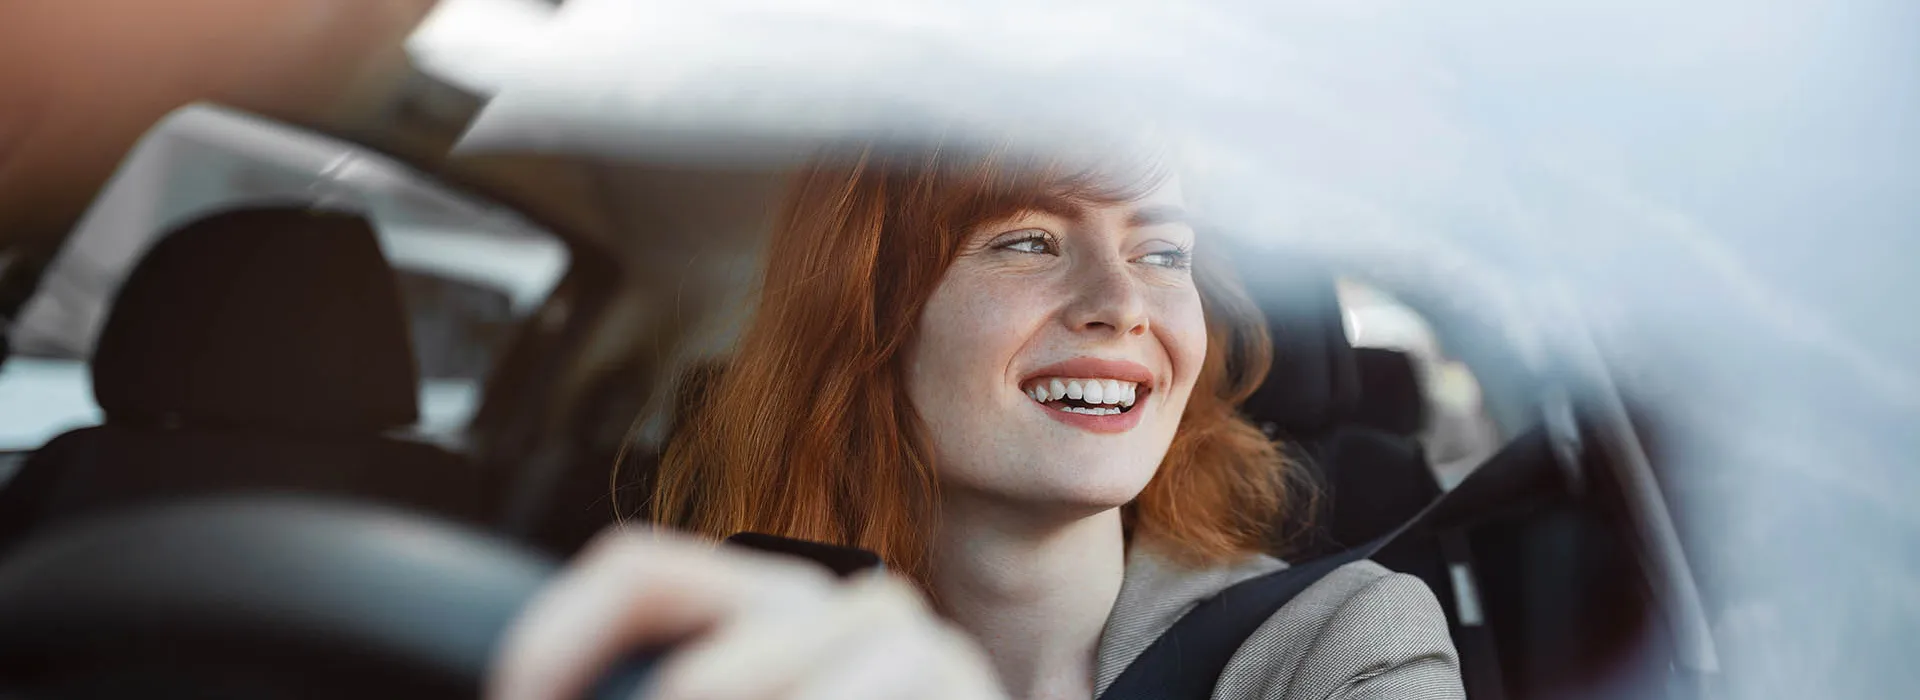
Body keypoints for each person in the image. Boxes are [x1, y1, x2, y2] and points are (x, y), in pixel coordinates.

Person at [487, 147, 1464, 700]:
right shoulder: (723, 642)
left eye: (1162, 251)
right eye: (1028, 241)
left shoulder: (1347, 640)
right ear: (874, 318)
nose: (1121, 302)